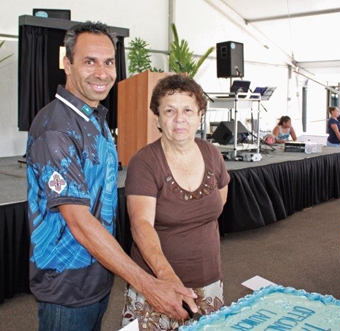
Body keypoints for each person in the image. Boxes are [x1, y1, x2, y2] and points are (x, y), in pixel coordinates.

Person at [25, 21, 196, 331]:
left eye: (108, 62)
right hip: (66, 288)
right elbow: (78, 220)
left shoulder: (96, 117)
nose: (102, 72)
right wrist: (147, 284)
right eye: (89, 61)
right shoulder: (56, 129)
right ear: (68, 64)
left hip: (98, 277)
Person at [121, 74, 230, 330]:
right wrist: (168, 278)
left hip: (210, 281)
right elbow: (141, 225)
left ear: (200, 115)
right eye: (169, 110)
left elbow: (220, 200)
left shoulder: (212, 153)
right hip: (158, 286)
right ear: (157, 118)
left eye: (187, 110)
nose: (179, 118)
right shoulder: (145, 163)